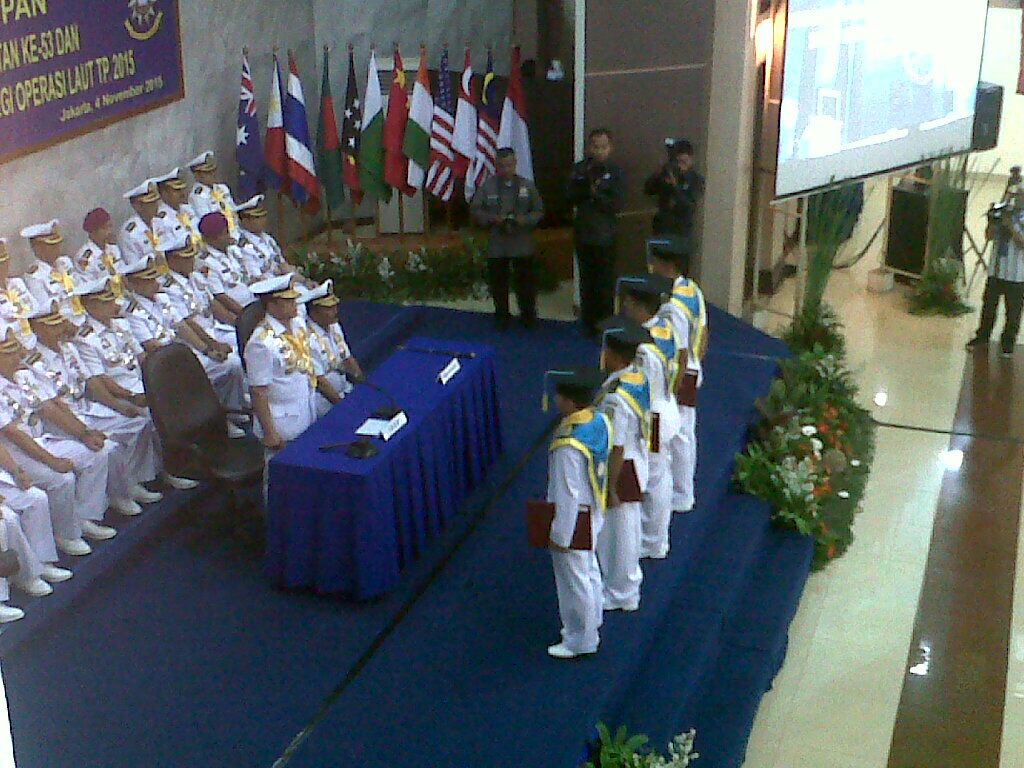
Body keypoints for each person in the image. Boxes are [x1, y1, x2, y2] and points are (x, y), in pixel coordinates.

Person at [27, 300, 161, 516]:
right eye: (53, 325)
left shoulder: (68, 348)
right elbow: (52, 406)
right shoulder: (34, 363)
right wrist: (83, 432)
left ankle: (134, 480)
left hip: (85, 408)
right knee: (107, 447)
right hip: (63, 422)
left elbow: (92, 381)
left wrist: (121, 404)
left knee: (137, 422)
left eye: (60, 322)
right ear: (38, 329)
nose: (60, 328)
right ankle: (102, 505)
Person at [0, 331, 116, 556]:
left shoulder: (22, 376)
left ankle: (84, 518)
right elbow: (13, 433)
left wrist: (84, 433)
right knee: (61, 479)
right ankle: (65, 535)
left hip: (39, 439)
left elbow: (48, 407)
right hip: (15, 452)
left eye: (16, 350)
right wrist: (52, 461)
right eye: (9, 354)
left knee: (96, 453)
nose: (18, 357)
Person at [543, 367, 611, 659]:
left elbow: (567, 492)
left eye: (559, 396)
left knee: (574, 580)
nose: (555, 400)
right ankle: (593, 619)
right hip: (593, 507)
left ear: (570, 402)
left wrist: (560, 535)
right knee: (589, 571)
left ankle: (581, 638)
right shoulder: (599, 420)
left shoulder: (568, 445)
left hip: (573, 518)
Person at [616, 274, 681, 558]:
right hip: (666, 407)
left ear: (637, 305)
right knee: (660, 473)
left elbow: (638, 389)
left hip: (653, 419)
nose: (624, 308)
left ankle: (653, 540)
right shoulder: (664, 329)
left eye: (628, 303)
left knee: (654, 477)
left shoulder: (642, 348)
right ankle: (656, 537)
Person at [244, 274, 318, 501]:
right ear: (272, 305)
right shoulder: (261, 343)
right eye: (288, 301)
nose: (295, 303)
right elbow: (258, 391)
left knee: (305, 476)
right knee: (279, 481)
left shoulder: (296, 324)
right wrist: (270, 433)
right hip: (282, 422)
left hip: (305, 408)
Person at [595, 320, 652, 612]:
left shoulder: (617, 398)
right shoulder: (636, 376)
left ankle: (622, 591)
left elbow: (616, 445)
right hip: (636, 457)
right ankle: (624, 585)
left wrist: (611, 487)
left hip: (623, 465)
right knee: (627, 528)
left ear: (614, 356)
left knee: (619, 534)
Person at [648, 243, 707, 513]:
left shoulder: (673, 306)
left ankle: (680, 494)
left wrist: (671, 389)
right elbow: (704, 333)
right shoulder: (691, 289)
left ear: (666, 264)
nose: (651, 268)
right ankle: (682, 490)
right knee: (684, 433)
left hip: (678, 376)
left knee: (678, 435)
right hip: (691, 370)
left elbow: (680, 353)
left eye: (654, 262)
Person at [470, 147, 545, 330]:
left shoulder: (527, 186)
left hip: (522, 243)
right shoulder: (488, 186)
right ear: (496, 166)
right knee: (499, 283)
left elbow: (539, 211)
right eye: (502, 166)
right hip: (498, 243)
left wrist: (525, 220)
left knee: (525, 283)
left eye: (509, 165)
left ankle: (528, 315)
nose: (506, 169)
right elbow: (476, 210)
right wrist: (492, 219)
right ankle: (502, 315)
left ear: (515, 164)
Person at [567, 129, 625, 335]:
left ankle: (605, 325)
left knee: (604, 283)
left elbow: (617, 203)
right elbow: (569, 196)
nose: (599, 151)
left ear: (610, 148)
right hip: (584, 233)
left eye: (603, 147)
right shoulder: (580, 169)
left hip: (605, 235)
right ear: (589, 147)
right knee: (587, 281)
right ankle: (588, 323)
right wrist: (585, 190)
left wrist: (596, 195)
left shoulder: (615, 172)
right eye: (595, 146)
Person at [967, 192, 1024, 357]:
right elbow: (989, 237)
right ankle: (982, 337)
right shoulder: (1003, 213)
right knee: (988, 307)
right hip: (996, 271)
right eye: (1017, 196)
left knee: (1013, 312)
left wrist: (1011, 226)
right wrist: (992, 221)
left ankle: (1008, 343)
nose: (1018, 199)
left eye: (1021, 196)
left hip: (1017, 275)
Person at [297, 280, 365, 418]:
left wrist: (364, 386)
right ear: (314, 311)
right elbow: (320, 382)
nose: (335, 311)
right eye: (329, 308)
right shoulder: (307, 339)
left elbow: (347, 358)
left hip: (345, 389)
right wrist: (344, 408)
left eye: (335, 306)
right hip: (324, 402)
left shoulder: (333, 326)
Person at [643, 139, 705, 272]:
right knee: (659, 270)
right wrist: (659, 174)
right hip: (662, 229)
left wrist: (675, 186)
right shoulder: (666, 174)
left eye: (684, 162)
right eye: (678, 162)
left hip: (681, 232)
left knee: (680, 273)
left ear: (691, 160)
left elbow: (688, 206)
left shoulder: (695, 180)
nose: (680, 166)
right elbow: (648, 190)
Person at [19, 220, 84, 325]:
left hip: (84, 314)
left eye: (57, 244)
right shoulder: (34, 276)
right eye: (51, 246)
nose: (57, 248)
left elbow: (81, 286)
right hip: (63, 323)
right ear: (37, 248)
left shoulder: (65, 262)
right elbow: (47, 310)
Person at [188, 151, 240, 240]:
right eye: (208, 172)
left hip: (237, 231)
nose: (213, 175)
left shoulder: (223, 188)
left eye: (213, 171)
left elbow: (234, 210)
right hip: (220, 238)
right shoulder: (197, 197)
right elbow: (210, 225)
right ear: (197, 175)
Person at [119, 180, 168, 273]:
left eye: (155, 201)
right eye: (150, 203)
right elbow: (135, 267)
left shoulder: (159, 221)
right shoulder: (129, 234)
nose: (155, 206)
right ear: (137, 206)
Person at [77, 209, 127, 291]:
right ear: (93, 231)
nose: (109, 232)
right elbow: (90, 287)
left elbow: (123, 271)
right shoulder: (85, 258)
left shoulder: (113, 248)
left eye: (110, 226)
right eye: (104, 228)